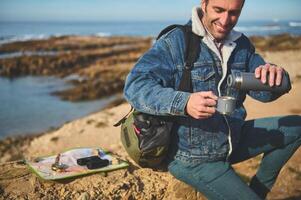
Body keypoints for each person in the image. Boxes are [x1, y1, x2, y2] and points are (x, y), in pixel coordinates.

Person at [124, 0, 301, 199]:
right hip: (193, 158)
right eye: (219, 10)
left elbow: (264, 95)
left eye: (234, 13)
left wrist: (275, 74)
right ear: (204, 4)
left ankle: (258, 191)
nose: (225, 20)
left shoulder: (241, 45)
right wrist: (185, 102)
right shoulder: (175, 41)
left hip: (234, 139)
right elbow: (135, 85)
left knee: (296, 127)